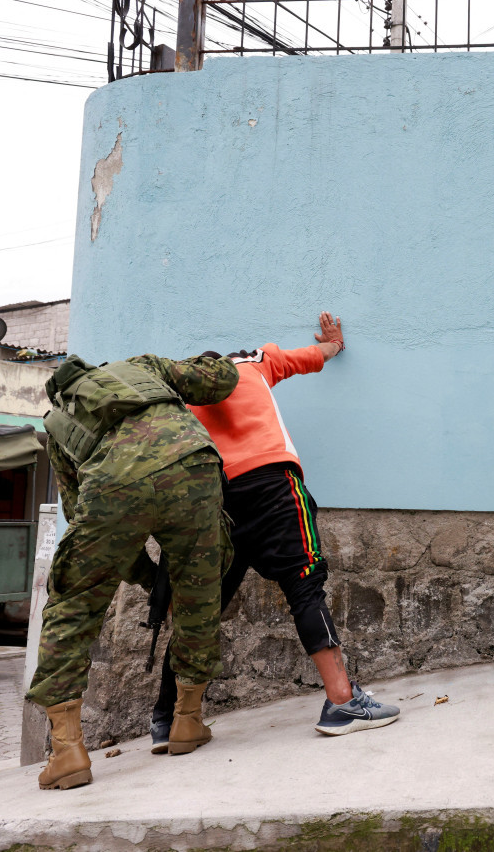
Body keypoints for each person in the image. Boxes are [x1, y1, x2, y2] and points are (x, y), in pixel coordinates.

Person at [147, 312, 399, 748]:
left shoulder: (178, 397)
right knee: (305, 587)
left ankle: (168, 720)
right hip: (273, 486)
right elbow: (307, 357)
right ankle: (342, 702)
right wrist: (334, 346)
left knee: (201, 611)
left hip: (215, 502)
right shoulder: (250, 363)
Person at [28, 352, 239, 789]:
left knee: (73, 604)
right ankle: (187, 720)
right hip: (192, 463)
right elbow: (218, 383)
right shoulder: (143, 366)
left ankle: (67, 750)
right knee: (198, 593)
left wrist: (146, 575)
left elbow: (88, 523)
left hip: (112, 484)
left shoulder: (57, 429)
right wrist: (221, 360)